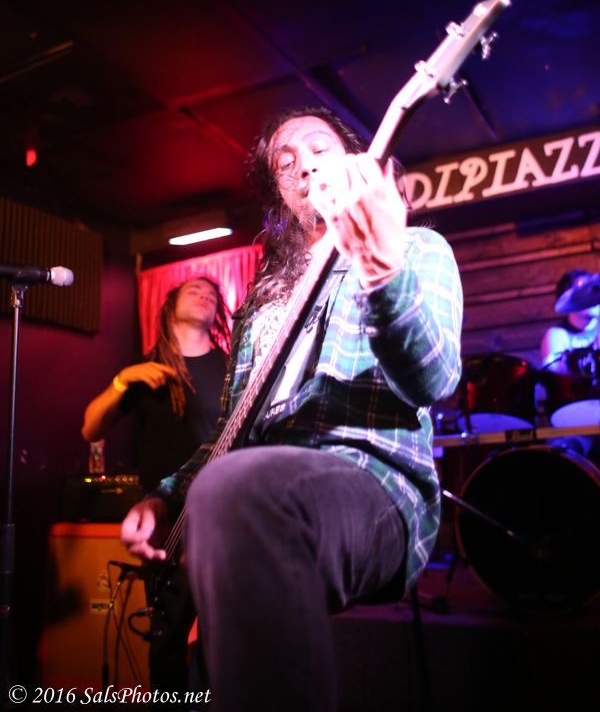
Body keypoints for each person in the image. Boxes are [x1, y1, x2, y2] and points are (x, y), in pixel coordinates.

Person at [121, 107, 463, 712]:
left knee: (238, 489)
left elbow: (433, 378)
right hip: (248, 491)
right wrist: (165, 497)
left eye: (319, 149)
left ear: (353, 159)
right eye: (286, 162)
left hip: (371, 483)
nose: (304, 165)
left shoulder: (414, 247)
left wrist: (381, 270)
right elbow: (227, 435)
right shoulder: (260, 306)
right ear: (280, 192)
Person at [82, 276, 230, 696]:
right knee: (167, 641)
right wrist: (121, 381)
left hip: (220, 514)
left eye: (212, 293)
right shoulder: (145, 371)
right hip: (164, 522)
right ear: (169, 307)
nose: (205, 294)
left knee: (221, 637)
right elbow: (90, 428)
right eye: (193, 290)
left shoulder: (231, 367)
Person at [540, 268, 599, 458]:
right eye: (583, 290)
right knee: (571, 446)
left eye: (595, 289)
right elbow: (556, 382)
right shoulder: (557, 335)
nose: (592, 294)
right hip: (574, 418)